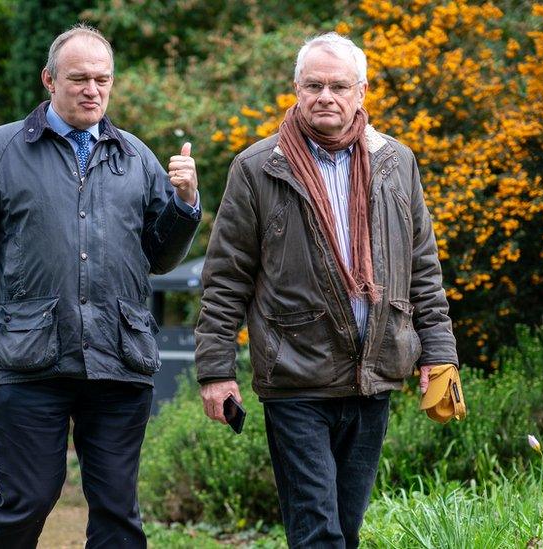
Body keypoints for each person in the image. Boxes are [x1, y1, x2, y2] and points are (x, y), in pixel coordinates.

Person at [0, 24, 201, 548]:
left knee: (117, 511)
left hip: (118, 356)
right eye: (79, 78)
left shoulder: (136, 156)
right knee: (26, 500)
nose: (92, 90)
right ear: (49, 80)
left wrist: (185, 203)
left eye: (102, 79)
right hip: (29, 355)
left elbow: (160, 258)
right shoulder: (0, 149)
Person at [195, 33, 458, 548]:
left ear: (361, 92)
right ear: (296, 89)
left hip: (372, 374)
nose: (325, 96)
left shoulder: (395, 163)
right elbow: (226, 278)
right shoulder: (258, 168)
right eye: (313, 85)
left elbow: (422, 266)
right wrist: (216, 370)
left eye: (338, 86)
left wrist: (440, 351)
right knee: (319, 532)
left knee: (347, 528)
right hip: (295, 375)